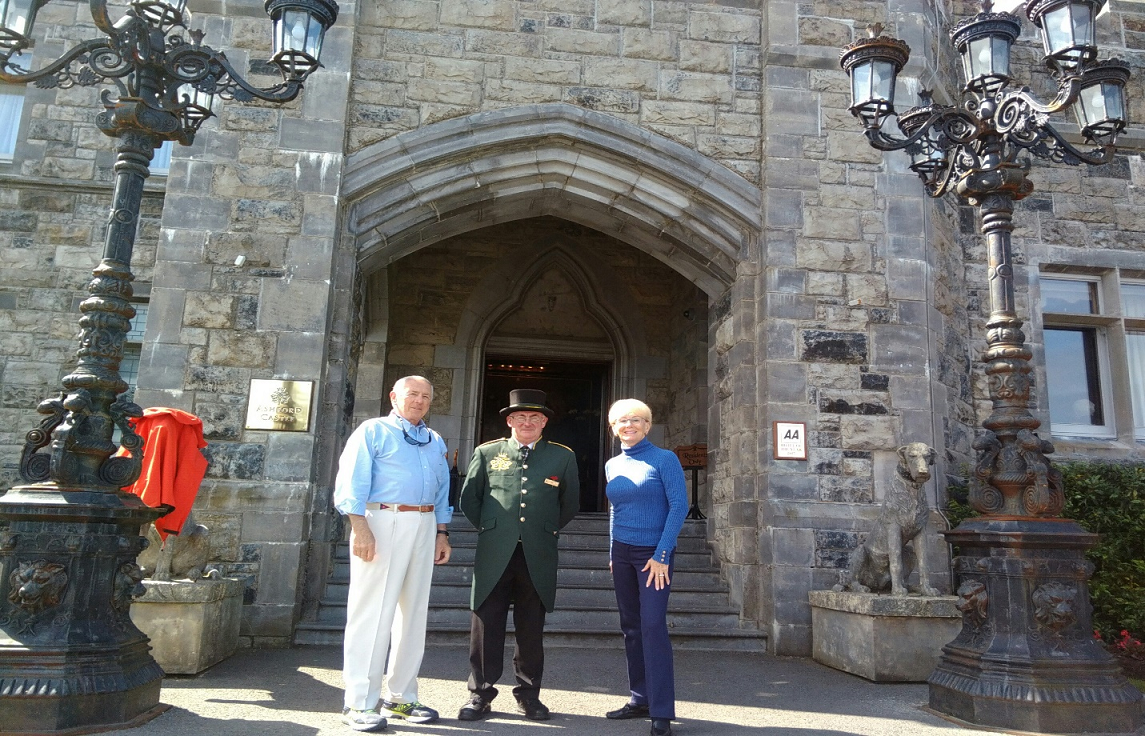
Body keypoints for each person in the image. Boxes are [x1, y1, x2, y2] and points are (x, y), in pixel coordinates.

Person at [333, 376, 453, 731]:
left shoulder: (434, 440)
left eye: (425, 396)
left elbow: (443, 489)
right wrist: (361, 529)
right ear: (394, 397)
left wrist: (442, 534)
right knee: (371, 614)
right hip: (382, 520)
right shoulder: (373, 431)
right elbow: (351, 482)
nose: (418, 401)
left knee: (413, 615)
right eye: (412, 394)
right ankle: (359, 703)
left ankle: (400, 697)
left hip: (424, 523)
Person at [457, 389, 579, 722]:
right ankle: (480, 694)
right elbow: (470, 500)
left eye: (535, 418)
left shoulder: (562, 457)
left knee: (531, 627)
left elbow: (569, 504)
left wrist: (543, 530)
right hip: (495, 552)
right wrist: (495, 530)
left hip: (537, 553)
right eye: (520, 417)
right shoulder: (487, 452)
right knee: (486, 625)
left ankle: (529, 696)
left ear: (544, 423)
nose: (527, 423)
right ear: (510, 420)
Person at [603, 399, 688, 736]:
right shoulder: (612, 464)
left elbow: (679, 506)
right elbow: (615, 510)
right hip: (622, 554)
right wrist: (612, 552)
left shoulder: (665, 459)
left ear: (647, 425)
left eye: (636, 420)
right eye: (621, 421)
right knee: (631, 627)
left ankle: (662, 711)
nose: (629, 425)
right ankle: (640, 698)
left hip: (653, 555)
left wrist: (662, 554)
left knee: (653, 626)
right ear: (613, 428)